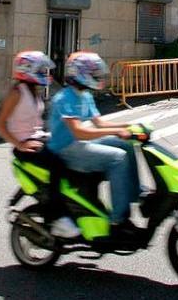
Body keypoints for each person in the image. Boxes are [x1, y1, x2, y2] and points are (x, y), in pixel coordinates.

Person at [47, 51, 142, 240]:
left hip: (79, 144)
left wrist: (130, 127)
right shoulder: (65, 98)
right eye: (94, 74)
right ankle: (117, 219)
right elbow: (79, 132)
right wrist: (116, 131)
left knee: (127, 145)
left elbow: (99, 123)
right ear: (80, 74)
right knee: (118, 158)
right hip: (66, 150)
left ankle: (135, 196)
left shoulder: (85, 95)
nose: (97, 77)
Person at [0, 50, 80, 238]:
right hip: (26, 145)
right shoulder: (17, 93)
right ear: (27, 69)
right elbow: (0, 124)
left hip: (39, 138)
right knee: (58, 164)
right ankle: (57, 218)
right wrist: (20, 144)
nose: (44, 73)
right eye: (40, 69)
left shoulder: (35, 91)